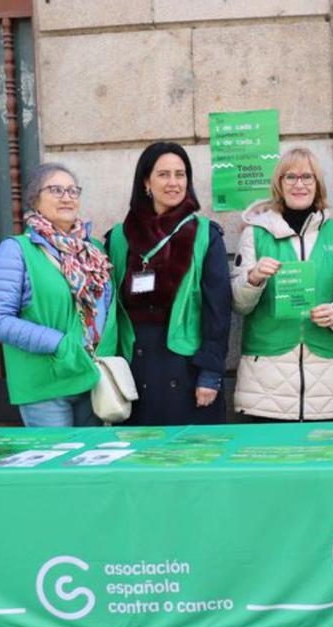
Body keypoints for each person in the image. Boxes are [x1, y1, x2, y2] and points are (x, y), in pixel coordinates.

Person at [231, 147, 333, 422]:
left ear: (318, 184)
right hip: (265, 382)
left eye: (307, 177)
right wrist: (253, 278)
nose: (299, 184)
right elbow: (239, 305)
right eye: (290, 177)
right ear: (279, 183)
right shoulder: (256, 233)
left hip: (326, 380)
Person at [107, 142, 232, 425]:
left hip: (187, 366)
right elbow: (109, 308)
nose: (174, 182)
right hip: (133, 367)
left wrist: (210, 373)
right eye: (164, 174)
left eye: (181, 174)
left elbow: (219, 310)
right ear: (146, 182)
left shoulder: (205, 235)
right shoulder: (118, 237)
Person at [0, 163, 115, 427]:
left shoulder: (94, 251)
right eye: (56, 190)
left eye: (72, 191)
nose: (67, 197)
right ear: (35, 199)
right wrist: (60, 344)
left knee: (92, 463)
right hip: (46, 385)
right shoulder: (16, 250)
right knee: (58, 464)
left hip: (91, 377)